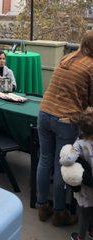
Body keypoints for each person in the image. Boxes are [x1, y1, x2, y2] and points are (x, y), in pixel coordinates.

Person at [36, 30, 93, 226]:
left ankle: (42, 206)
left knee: (44, 161)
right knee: (62, 165)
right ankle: (60, 213)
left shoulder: (68, 58)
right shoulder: (91, 66)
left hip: (44, 113)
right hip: (65, 120)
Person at [60, 109, 93, 240]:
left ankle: (80, 237)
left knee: (84, 213)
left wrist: (61, 160)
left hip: (86, 186)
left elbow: (68, 160)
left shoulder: (79, 145)